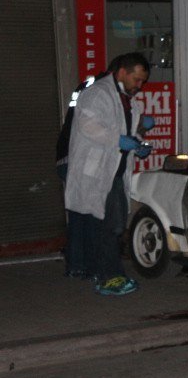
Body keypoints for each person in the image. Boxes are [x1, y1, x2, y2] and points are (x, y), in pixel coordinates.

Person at [64, 52, 154, 296]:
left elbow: (126, 132)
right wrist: (118, 141)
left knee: (107, 225)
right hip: (98, 173)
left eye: (142, 81)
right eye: (137, 79)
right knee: (109, 227)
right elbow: (89, 126)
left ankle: (95, 271)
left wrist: (138, 142)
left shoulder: (127, 100)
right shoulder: (97, 94)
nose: (139, 85)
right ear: (122, 72)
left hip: (114, 172)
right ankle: (109, 277)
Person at [56, 57, 122, 279]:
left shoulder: (91, 86)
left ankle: (81, 263)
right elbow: (87, 125)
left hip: (77, 157)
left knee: (84, 213)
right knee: (81, 214)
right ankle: (78, 264)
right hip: (74, 158)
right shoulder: (95, 89)